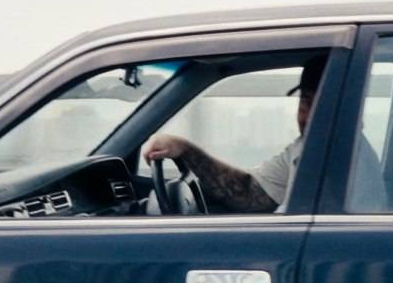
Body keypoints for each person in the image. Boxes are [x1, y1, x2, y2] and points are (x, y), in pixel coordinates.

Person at [141, 55, 331, 213]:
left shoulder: (345, 169)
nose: (310, 117)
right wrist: (184, 149)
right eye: (306, 102)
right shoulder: (302, 149)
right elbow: (251, 193)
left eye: (323, 105)